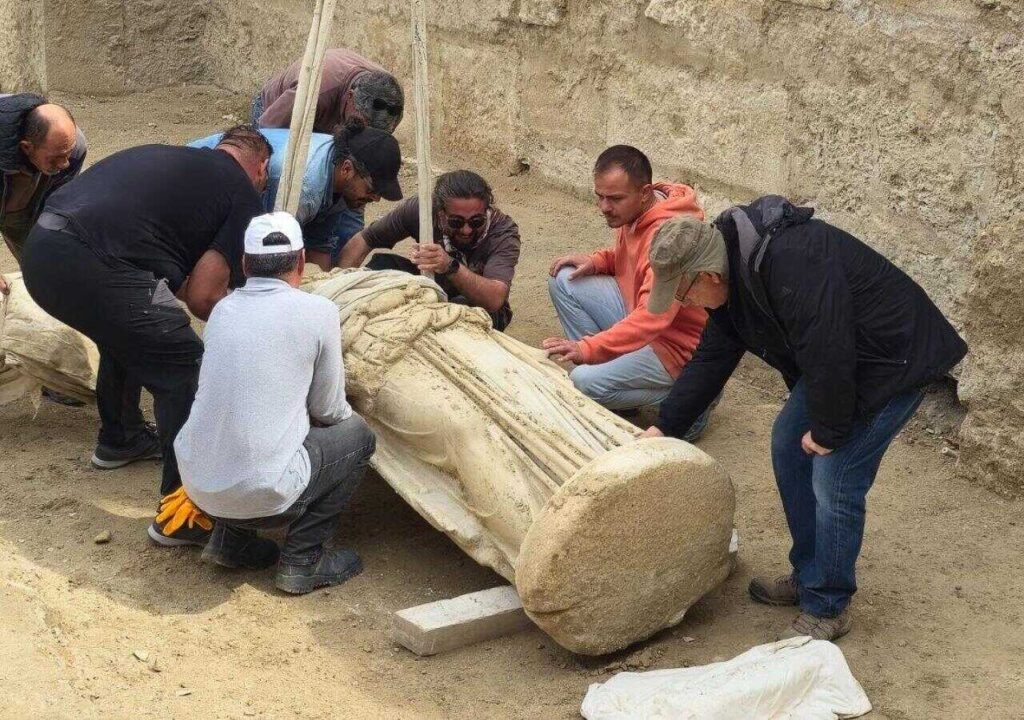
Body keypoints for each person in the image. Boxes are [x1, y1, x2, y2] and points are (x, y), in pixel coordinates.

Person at [641, 197, 968, 641]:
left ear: (708, 276)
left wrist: (830, 431)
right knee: (787, 444)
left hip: (894, 360)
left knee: (835, 475)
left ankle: (828, 605)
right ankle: (811, 572)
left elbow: (828, 347)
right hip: (841, 361)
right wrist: (665, 427)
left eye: (682, 294)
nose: (684, 304)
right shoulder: (731, 277)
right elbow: (713, 357)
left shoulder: (793, 261)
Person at [20, 125, 270, 546]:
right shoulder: (242, 192)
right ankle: (184, 515)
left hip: (42, 250)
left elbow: (182, 284)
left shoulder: (178, 162)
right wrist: (257, 332)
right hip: (88, 258)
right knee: (183, 362)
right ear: (260, 168)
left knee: (139, 330)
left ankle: (122, 438)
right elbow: (204, 299)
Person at [175, 212, 376, 593]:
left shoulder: (222, 311)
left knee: (244, 421)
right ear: (301, 260)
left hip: (198, 485)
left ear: (245, 264)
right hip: (264, 496)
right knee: (357, 436)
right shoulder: (319, 311)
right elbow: (329, 410)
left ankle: (231, 543)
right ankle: (303, 560)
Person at [543, 145, 711, 435]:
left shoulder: (670, 236)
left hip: (675, 347)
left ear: (644, 193)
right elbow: (635, 262)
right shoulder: (635, 212)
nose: (604, 207)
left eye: (614, 199)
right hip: (645, 318)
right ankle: (617, 382)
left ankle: (692, 404)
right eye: (600, 196)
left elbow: (652, 317)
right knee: (565, 279)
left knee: (582, 380)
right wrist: (599, 261)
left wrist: (588, 349)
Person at [189, 119, 402, 269]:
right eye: (372, 189)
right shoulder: (304, 188)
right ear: (347, 169)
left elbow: (319, 244)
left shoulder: (338, 171)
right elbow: (265, 252)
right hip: (198, 185)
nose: (376, 198)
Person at [338, 170, 520, 331]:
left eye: (476, 221)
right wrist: (337, 287)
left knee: (463, 312)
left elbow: (494, 299)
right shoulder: (422, 210)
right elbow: (363, 241)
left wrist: (450, 266)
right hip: (430, 284)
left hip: (476, 302)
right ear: (440, 213)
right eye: (456, 222)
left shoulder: (502, 231)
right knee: (382, 266)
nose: (466, 230)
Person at [0, 93, 87, 295]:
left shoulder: (73, 146)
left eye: (67, 154)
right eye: (56, 157)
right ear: (27, 147)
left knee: (48, 270)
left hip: (22, 205)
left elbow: (57, 206)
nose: (64, 164)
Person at [253, 48, 403, 134]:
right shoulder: (316, 90)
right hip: (273, 112)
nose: (363, 135)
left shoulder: (393, 102)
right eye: (360, 124)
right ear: (350, 96)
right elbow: (266, 130)